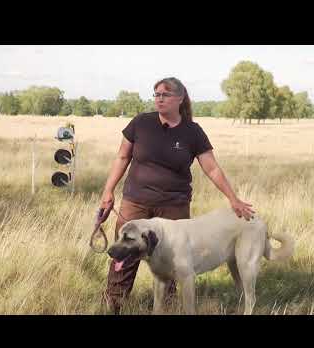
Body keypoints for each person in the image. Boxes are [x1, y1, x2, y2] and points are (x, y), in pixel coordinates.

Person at [98, 77, 254, 314]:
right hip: (135, 203)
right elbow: (122, 157)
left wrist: (233, 199)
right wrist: (108, 191)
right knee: (125, 254)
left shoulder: (192, 131)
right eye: (156, 94)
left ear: (180, 99)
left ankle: (166, 307)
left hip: (174, 207)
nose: (159, 98)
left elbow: (211, 167)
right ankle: (113, 304)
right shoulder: (141, 123)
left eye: (165, 94)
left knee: (172, 262)